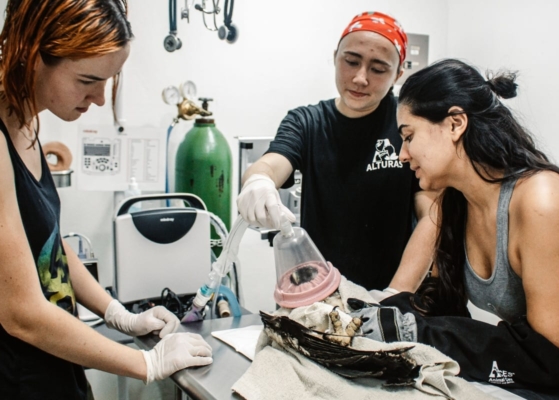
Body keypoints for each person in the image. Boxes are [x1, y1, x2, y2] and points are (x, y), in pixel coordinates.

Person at [349, 58, 559, 396]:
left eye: (408, 136)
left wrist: (415, 332)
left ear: (455, 123)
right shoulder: (455, 204)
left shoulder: (545, 201)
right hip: (552, 378)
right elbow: (439, 308)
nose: (402, 155)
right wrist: (365, 312)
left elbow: (548, 360)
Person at [0, 1, 212, 398]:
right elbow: (21, 314)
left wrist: (118, 314)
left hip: (54, 369)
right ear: (32, 55)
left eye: (110, 81)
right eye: (87, 80)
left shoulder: (26, 120)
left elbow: (47, 248)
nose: (99, 98)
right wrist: (145, 363)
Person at [237, 11, 438, 296]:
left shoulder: (406, 125)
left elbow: (432, 214)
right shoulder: (307, 122)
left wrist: (396, 294)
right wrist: (258, 181)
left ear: (398, 74)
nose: (359, 78)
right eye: (351, 61)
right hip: (318, 294)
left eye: (378, 69)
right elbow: (271, 163)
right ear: (335, 56)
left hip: (389, 294)